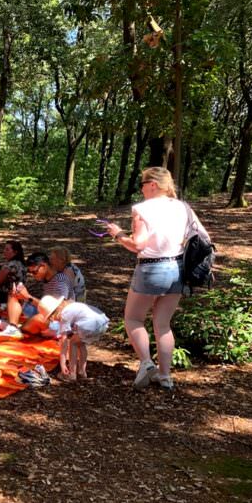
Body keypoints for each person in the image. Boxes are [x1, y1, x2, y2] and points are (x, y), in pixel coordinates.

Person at [105, 167, 192, 391]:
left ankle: (145, 363)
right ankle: (165, 376)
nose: (141, 189)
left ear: (153, 184)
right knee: (163, 324)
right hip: (178, 268)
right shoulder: (182, 207)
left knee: (133, 319)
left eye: (142, 184)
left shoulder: (142, 209)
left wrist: (117, 234)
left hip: (152, 268)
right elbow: (199, 236)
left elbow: (138, 245)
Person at [0, 252, 75, 338]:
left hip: (59, 319)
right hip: (47, 313)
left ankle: (18, 329)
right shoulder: (47, 279)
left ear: (44, 266)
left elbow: (56, 310)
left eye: (34, 272)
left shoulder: (60, 281)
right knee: (14, 294)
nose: (33, 275)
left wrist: (28, 297)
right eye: (30, 272)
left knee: (38, 319)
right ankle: (13, 327)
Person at [37, 295, 109, 383]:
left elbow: (64, 343)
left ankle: (72, 374)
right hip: (102, 323)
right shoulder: (71, 307)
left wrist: (62, 364)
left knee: (73, 343)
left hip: (90, 323)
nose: (54, 320)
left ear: (53, 314)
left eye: (51, 318)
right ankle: (82, 372)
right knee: (80, 343)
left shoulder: (64, 314)